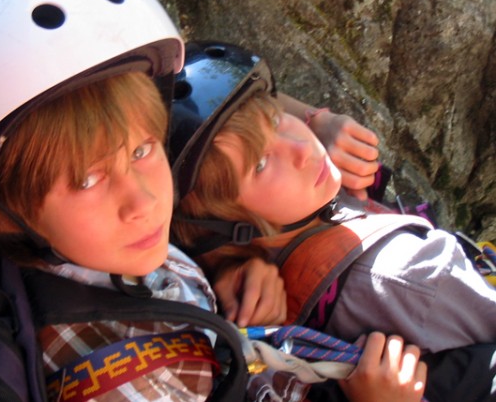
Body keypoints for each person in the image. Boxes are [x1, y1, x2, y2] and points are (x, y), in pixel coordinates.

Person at [0, 0, 427, 401]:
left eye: (143, 148)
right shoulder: (133, 377)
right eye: (87, 180)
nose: (146, 198)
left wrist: (236, 270)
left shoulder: (97, 251)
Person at [169, 40, 496, 355]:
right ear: (224, 226)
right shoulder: (414, 271)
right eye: (261, 164)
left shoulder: (249, 265)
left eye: (275, 119)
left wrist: (318, 119)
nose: (302, 149)